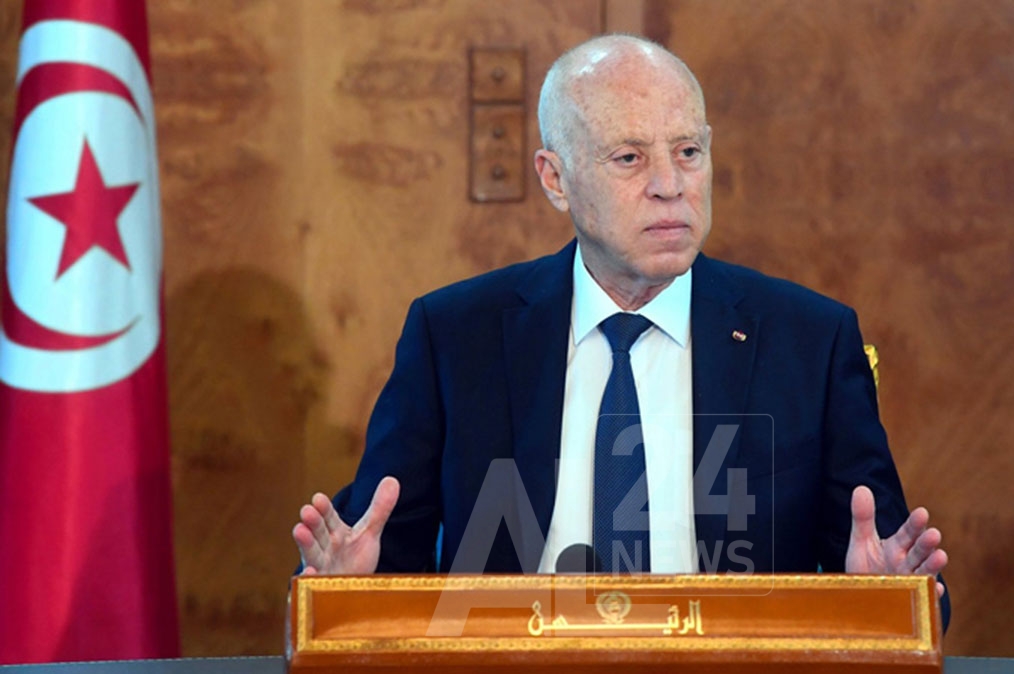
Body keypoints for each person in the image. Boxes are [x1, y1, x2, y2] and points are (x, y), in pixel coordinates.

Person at [292, 34, 949, 625]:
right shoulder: (456, 337)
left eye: (688, 152)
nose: (670, 185)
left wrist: (893, 600)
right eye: (630, 157)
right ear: (556, 179)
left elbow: (894, 575)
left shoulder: (809, 340)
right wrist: (346, 590)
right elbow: (379, 563)